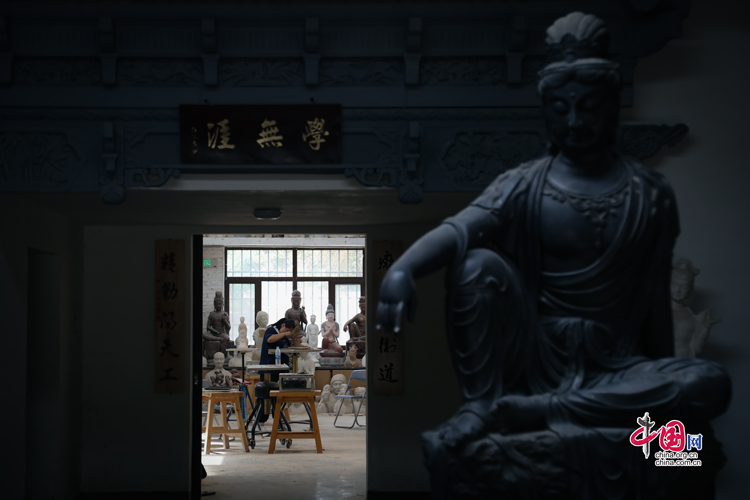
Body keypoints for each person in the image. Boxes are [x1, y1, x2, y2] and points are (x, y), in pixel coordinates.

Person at [376, 12, 730, 498]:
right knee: (476, 264)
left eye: (589, 106)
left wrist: (660, 383)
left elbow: (652, 298)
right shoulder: (524, 183)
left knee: (708, 382)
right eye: (561, 108)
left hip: (616, 362)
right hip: (536, 351)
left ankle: (541, 410)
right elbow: (458, 230)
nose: (575, 121)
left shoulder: (649, 193)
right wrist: (402, 269)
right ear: (546, 110)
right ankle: (483, 404)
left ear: (612, 106)